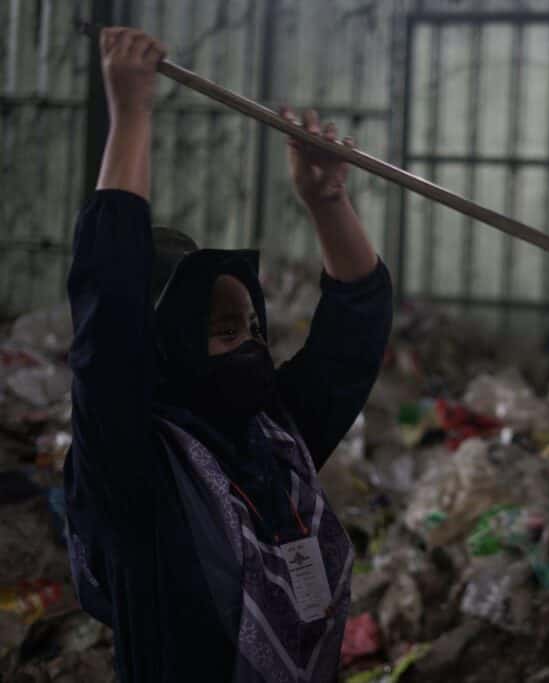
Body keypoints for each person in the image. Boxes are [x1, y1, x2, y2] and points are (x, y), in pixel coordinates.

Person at [64, 27, 393, 681]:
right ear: (165, 347)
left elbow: (353, 331)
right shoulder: (134, 467)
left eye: (255, 328)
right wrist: (131, 113)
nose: (249, 346)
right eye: (221, 329)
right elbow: (111, 313)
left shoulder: (275, 439)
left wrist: (328, 202)